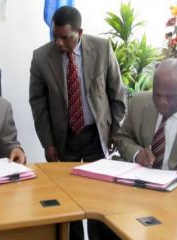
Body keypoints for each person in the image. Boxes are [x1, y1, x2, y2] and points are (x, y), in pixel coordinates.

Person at [29, 6, 126, 240]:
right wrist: (47, 143)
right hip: (64, 138)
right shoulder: (41, 57)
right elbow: (38, 103)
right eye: (55, 36)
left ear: (79, 33)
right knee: (67, 200)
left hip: (96, 135)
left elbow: (117, 92)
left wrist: (115, 131)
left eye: (65, 37)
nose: (59, 43)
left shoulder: (102, 49)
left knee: (98, 197)